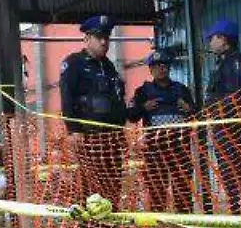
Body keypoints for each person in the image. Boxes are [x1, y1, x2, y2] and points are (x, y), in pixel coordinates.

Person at [59, 15, 128, 205]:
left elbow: (117, 100)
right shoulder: (74, 63)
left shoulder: (109, 67)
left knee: (113, 186)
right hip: (88, 138)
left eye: (107, 37)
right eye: (99, 37)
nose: (104, 42)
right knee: (90, 189)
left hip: (111, 139)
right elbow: (66, 97)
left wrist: (121, 131)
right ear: (87, 38)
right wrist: (73, 130)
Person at [128, 49, 197, 212]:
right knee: (157, 189)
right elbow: (131, 116)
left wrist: (188, 108)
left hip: (180, 149)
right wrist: (143, 107)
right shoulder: (143, 91)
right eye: (157, 66)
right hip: (155, 150)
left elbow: (196, 113)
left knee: (183, 190)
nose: (161, 69)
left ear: (170, 68)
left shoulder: (182, 89)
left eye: (164, 65)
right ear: (150, 70)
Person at [200, 18, 241, 214]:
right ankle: (238, 218)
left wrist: (213, 105)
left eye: (212, 38)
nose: (210, 43)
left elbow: (237, 97)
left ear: (223, 39)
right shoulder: (223, 63)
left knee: (236, 175)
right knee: (228, 175)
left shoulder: (237, 62)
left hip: (232, 129)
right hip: (222, 127)